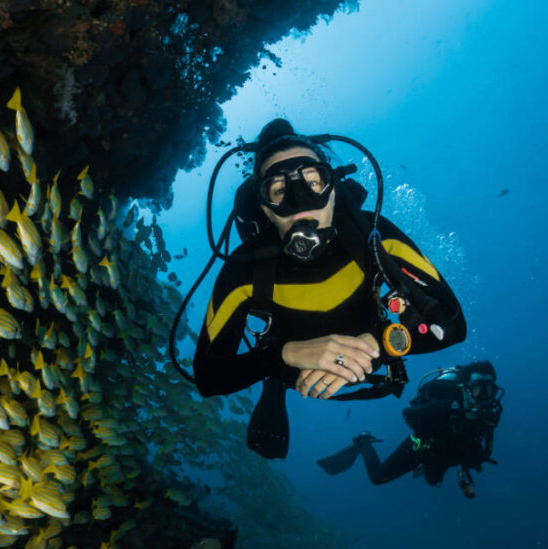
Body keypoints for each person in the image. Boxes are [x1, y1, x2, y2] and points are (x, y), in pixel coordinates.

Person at [192, 119, 466, 458]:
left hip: (374, 350)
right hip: (288, 369)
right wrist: (283, 355)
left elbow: (453, 324)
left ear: (333, 189)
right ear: (264, 207)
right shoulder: (244, 270)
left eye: (313, 181)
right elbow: (208, 376)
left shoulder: (375, 236)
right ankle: (274, 384)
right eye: (278, 190)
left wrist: (379, 343)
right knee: (273, 373)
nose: (299, 201)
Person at [316, 361, 503, 498]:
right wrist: (434, 422)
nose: (485, 397)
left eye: (490, 390)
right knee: (378, 477)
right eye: (479, 390)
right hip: (421, 449)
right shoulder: (442, 405)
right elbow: (409, 413)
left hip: (449, 454)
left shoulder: (488, 416)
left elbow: (483, 443)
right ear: (464, 389)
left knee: (433, 481)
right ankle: (364, 441)